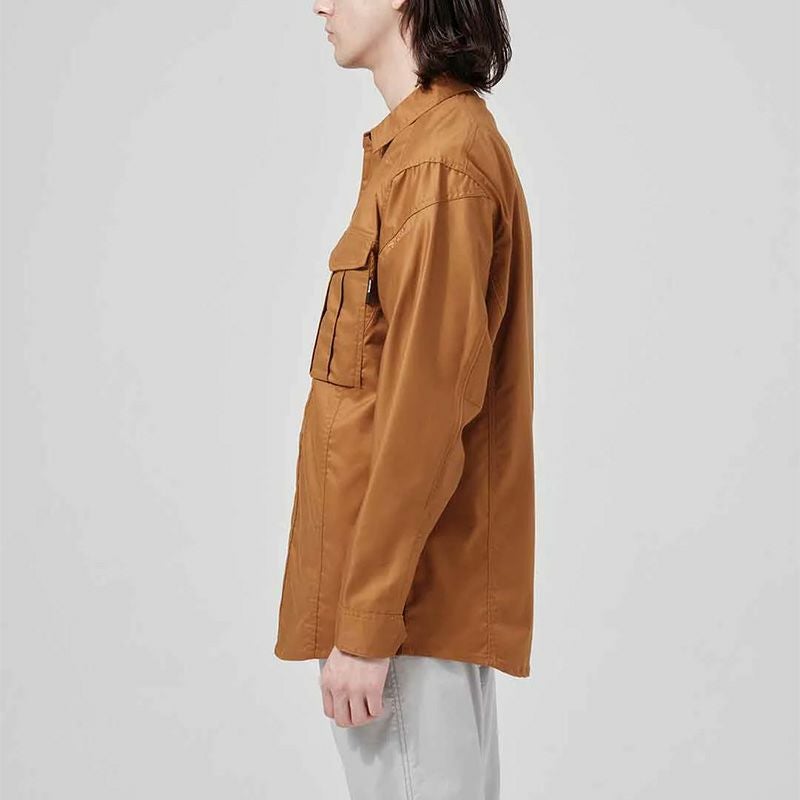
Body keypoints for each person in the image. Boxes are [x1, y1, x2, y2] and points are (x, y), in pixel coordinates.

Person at [274, 1, 535, 796]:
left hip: (403, 617)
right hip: (397, 610)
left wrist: (367, 625)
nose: (319, 4)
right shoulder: (421, 150)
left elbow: (424, 417)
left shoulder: (438, 167)